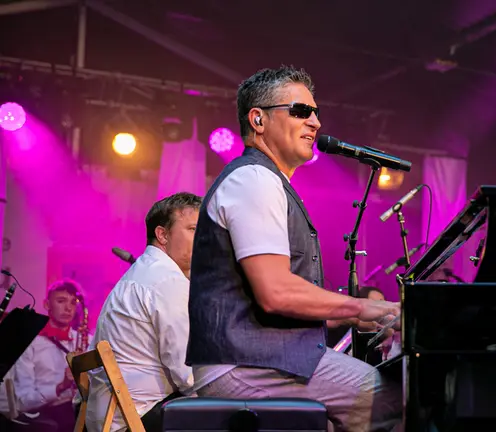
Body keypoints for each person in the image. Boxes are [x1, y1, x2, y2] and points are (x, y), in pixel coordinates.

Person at [186, 66, 402, 432]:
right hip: (247, 367)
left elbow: (265, 304)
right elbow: (276, 293)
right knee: (398, 400)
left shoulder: (263, 180)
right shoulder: (254, 179)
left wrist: (355, 317)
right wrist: (366, 305)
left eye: (316, 112)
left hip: (256, 361)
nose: (315, 122)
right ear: (258, 119)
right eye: (301, 111)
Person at [85, 192, 201, 432]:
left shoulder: (144, 273)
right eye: (192, 229)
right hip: (136, 417)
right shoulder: (166, 280)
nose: (203, 238)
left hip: (111, 417)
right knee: (238, 413)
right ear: (162, 235)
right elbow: (188, 373)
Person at [13, 279, 86, 432]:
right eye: (61, 301)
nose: (68, 308)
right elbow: (22, 402)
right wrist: (61, 386)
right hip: (46, 414)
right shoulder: (30, 343)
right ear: (47, 305)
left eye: (73, 303)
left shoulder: (85, 339)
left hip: (81, 406)